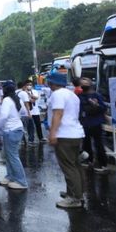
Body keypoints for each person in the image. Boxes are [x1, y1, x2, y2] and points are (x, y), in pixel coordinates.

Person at [47, 68, 85, 209]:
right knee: (75, 165)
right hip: (76, 133)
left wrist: (52, 133)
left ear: (52, 83)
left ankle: (75, 198)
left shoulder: (57, 95)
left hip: (65, 135)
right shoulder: (72, 94)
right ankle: (76, 191)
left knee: (69, 167)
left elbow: (58, 114)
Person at [0, 81, 28, 190]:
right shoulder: (17, 99)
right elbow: (23, 113)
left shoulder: (7, 100)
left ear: (5, 90)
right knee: (9, 155)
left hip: (11, 130)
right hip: (15, 129)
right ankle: (10, 176)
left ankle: (21, 181)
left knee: (12, 156)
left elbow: (3, 117)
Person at [78, 77, 108, 173]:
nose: (84, 85)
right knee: (86, 144)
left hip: (96, 123)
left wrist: (96, 105)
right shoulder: (79, 96)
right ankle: (89, 161)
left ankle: (103, 164)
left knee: (99, 144)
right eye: (82, 83)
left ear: (90, 84)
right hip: (85, 123)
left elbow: (103, 108)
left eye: (86, 83)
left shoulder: (96, 95)